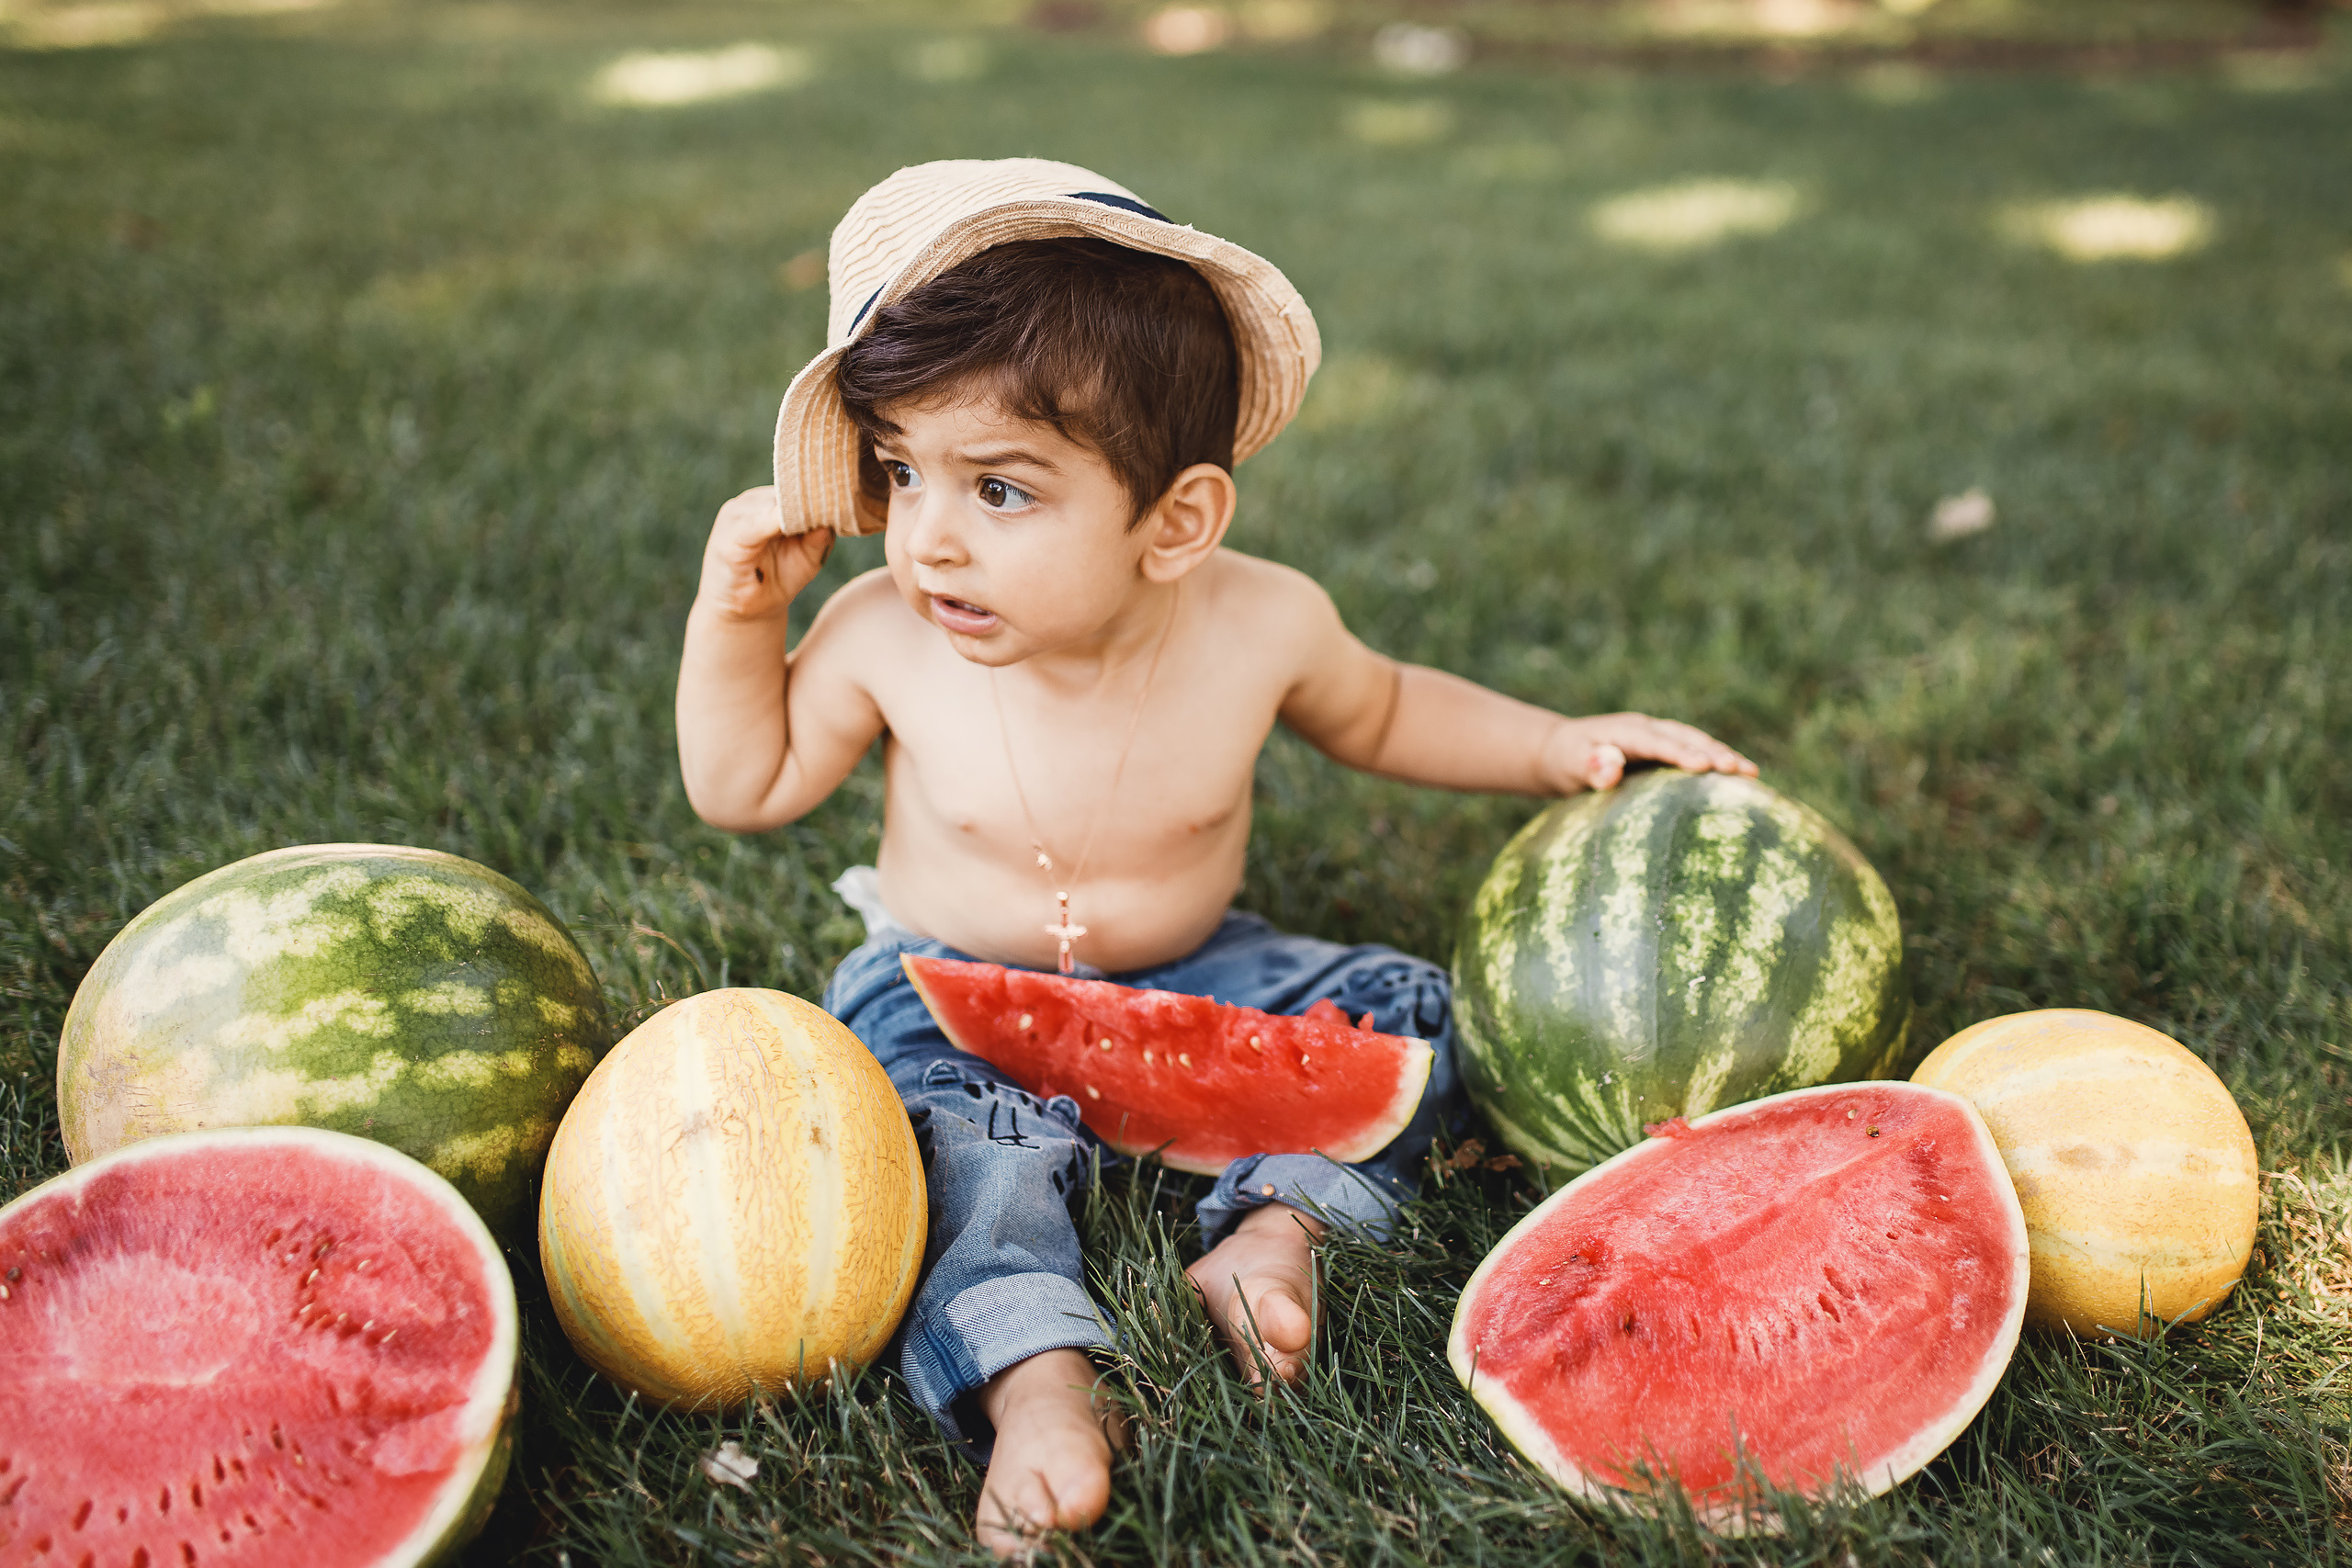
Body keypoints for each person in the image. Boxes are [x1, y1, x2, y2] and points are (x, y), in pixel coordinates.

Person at [674, 158, 1755, 1557]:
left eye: (1000, 491)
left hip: (1203, 961)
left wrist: (1554, 745)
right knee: (964, 1153)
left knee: (1418, 1015)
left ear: (1177, 521)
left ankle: (1277, 1232)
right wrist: (736, 624)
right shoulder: (886, 638)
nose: (929, 537)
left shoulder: (1267, 626)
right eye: (899, 472)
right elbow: (743, 784)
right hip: (944, 985)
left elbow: (1388, 709)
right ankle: (1037, 1380)